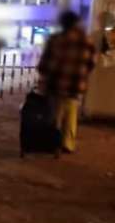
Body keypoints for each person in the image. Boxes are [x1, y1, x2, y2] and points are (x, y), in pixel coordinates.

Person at [38, 11, 96, 153]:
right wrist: (81, 74)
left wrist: (43, 74)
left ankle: (53, 143)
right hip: (75, 85)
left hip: (55, 84)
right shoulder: (87, 40)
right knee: (71, 114)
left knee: (55, 115)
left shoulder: (55, 39)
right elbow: (91, 63)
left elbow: (44, 64)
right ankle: (68, 144)